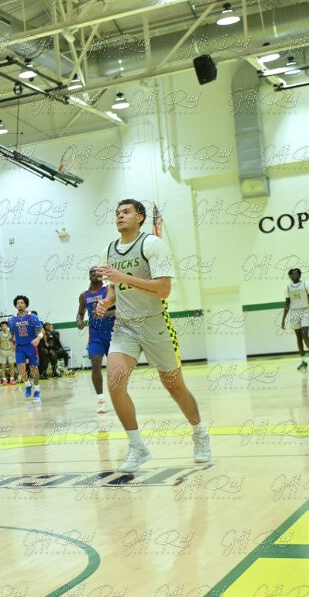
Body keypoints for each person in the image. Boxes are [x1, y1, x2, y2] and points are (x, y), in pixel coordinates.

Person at [94, 197, 212, 469]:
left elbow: (163, 290)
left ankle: (199, 432)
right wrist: (106, 302)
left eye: (126, 212)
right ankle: (137, 447)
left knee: (174, 386)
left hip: (155, 324)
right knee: (115, 382)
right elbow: (113, 290)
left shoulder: (151, 244)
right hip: (124, 326)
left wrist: (123, 278)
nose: (120, 216)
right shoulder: (108, 250)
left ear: (140, 218)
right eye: (117, 212)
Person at [77, 267, 115, 414]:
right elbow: (80, 313)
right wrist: (80, 321)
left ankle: (118, 396)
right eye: (92, 272)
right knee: (95, 362)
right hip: (95, 334)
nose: (94, 274)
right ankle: (101, 400)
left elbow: (120, 309)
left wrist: (105, 314)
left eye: (98, 272)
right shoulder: (83, 296)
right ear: (89, 276)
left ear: (102, 276)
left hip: (113, 332)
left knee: (115, 368)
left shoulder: (109, 290)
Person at [7, 295, 44, 400]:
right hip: (19, 347)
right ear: (15, 305)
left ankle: (37, 389)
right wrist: (11, 342)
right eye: (18, 303)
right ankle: (28, 385)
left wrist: (38, 338)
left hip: (31, 346)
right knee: (20, 368)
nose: (20, 304)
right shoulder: (12, 319)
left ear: (26, 304)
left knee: (34, 369)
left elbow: (42, 330)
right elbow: (12, 334)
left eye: (22, 303)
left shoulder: (32, 316)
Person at [282, 268, 309, 370]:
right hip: (294, 312)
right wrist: (283, 318)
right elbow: (287, 303)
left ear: (299, 275)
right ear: (290, 276)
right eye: (292, 274)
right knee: (298, 338)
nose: (294, 275)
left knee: (305, 334)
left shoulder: (306, 284)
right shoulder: (287, 288)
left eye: (296, 273)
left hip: (304, 311)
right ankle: (303, 361)